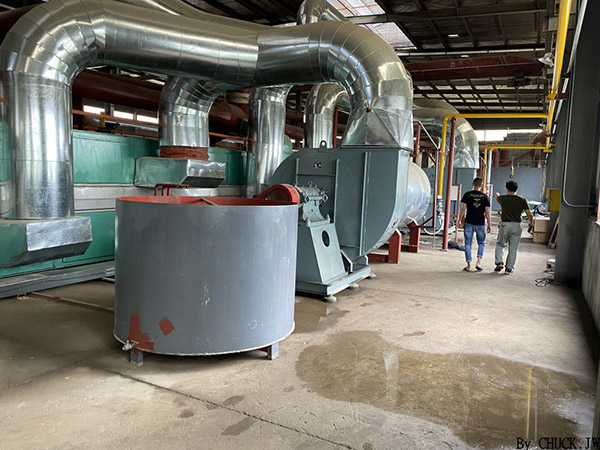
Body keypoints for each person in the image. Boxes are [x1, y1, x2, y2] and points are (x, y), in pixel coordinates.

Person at [494, 180, 534, 274]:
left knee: (500, 244)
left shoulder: (502, 199)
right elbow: (529, 213)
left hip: (505, 224)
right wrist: (531, 224)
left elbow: (497, 197)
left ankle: (499, 262)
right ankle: (509, 268)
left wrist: (497, 195)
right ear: (517, 189)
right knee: (513, 248)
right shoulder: (522, 199)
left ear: (507, 189)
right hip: (517, 225)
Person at [458, 177, 491, 272]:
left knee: (468, 243)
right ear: (482, 185)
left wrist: (459, 220)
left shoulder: (467, 195)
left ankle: (468, 265)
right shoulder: (485, 197)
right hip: (480, 223)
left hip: (469, 222)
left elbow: (463, 209)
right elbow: (487, 212)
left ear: (473, 184)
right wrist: (489, 223)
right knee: (481, 243)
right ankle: (478, 263)